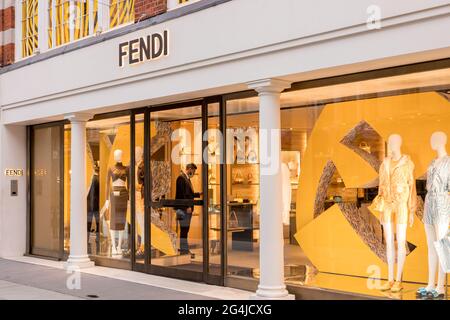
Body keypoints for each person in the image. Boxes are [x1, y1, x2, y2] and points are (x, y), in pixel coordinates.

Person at [175, 163, 201, 255]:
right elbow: (182, 195)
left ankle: (184, 249)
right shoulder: (181, 178)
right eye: (193, 171)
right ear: (189, 169)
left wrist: (198, 194)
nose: (194, 173)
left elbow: (189, 194)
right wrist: (187, 206)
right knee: (184, 229)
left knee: (185, 230)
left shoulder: (187, 179)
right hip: (183, 209)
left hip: (186, 209)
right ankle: (184, 249)